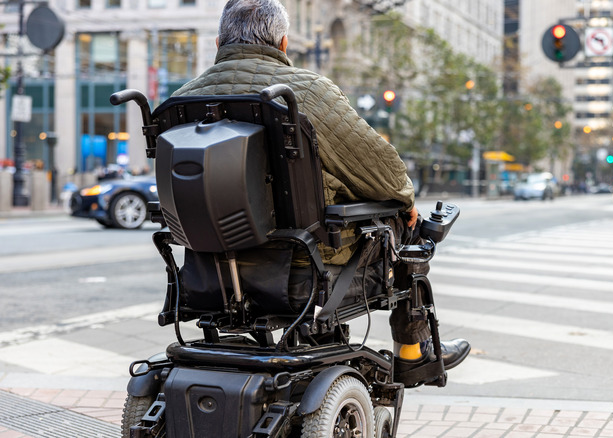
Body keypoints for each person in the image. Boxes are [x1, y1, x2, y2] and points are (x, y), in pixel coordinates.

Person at [171, 0, 469, 378]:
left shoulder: (180, 100)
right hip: (306, 269)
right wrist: (406, 205)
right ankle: (413, 351)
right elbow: (386, 173)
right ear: (283, 44)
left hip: (205, 273)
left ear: (218, 42)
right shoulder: (305, 92)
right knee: (405, 227)